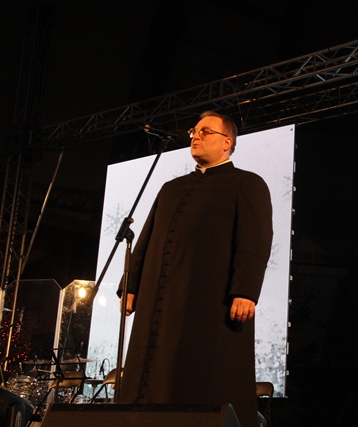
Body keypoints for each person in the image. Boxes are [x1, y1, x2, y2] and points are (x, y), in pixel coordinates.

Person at [118, 110, 273, 427]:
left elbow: (255, 240)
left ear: (227, 142)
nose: (196, 136)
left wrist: (245, 290)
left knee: (204, 378)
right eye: (194, 131)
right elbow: (146, 239)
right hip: (160, 300)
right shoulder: (170, 188)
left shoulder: (247, 183)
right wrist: (130, 286)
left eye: (206, 131)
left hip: (212, 302)